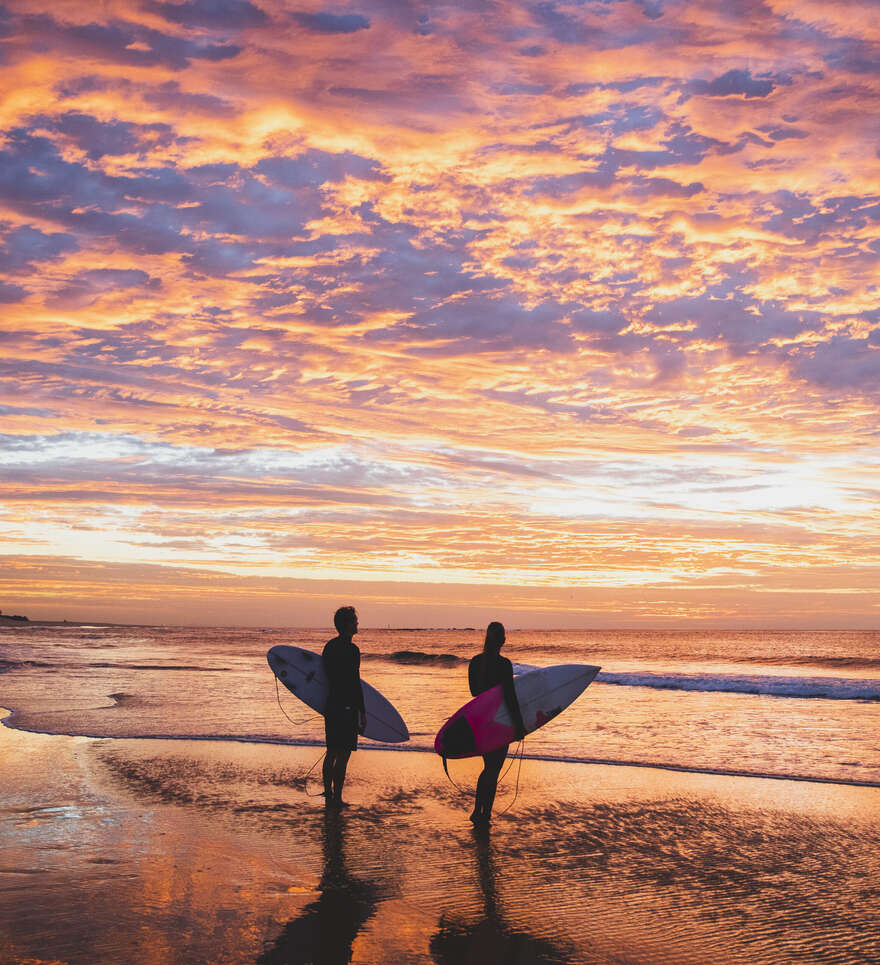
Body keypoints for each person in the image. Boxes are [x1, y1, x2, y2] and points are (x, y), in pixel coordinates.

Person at [467, 621, 526, 825]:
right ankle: (486, 813)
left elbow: (474, 692)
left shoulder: (475, 662)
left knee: (488, 767)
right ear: (502, 640)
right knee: (494, 768)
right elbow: (510, 697)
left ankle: (478, 810)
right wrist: (519, 726)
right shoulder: (504, 665)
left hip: (481, 721)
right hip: (500, 722)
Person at [321, 606, 366, 807]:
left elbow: (324, 679)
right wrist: (362, 711)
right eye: (354, 621)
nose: (357, 624)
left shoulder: (329, 647)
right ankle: (337, 798)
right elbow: (354, 683)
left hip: (331, 705)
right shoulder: (352, 650)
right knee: (344, 754)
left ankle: (328, 793)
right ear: (347, 624)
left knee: (331, 751)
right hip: (347, 707)